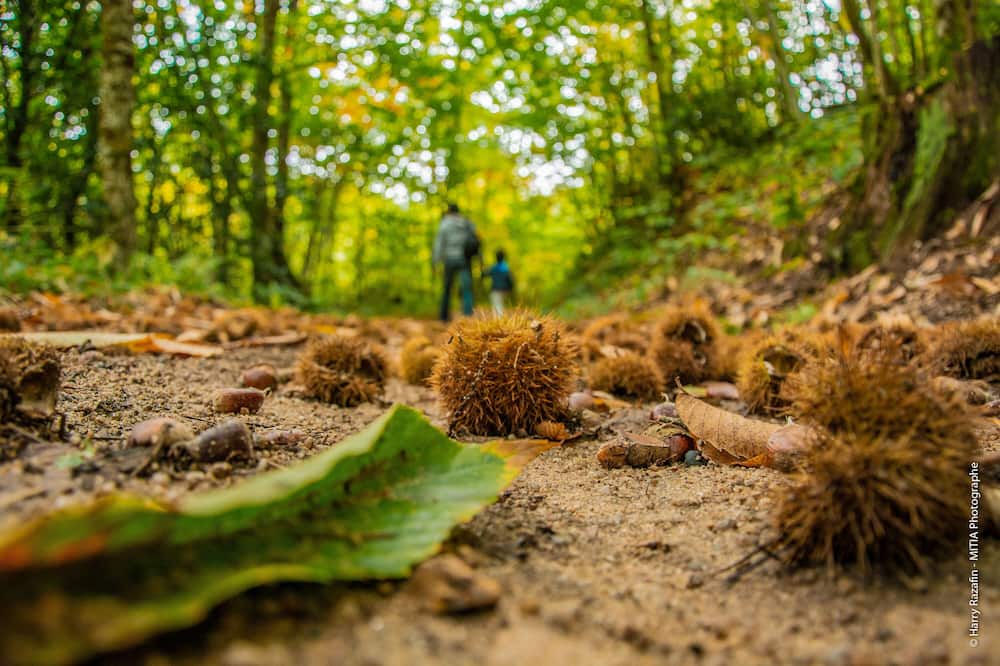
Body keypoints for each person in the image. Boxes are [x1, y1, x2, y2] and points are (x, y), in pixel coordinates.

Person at [432, 203, 480, 321]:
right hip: (464, 259)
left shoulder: (444, 224)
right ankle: (468, 315)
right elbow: (476, 240)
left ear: (448, 211)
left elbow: (439, 243)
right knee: (466, 288)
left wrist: (436, 260)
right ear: (458, 211)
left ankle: (444, 317)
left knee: (447, 288)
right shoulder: (466, 222)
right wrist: (479, 258)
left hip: (449, 259)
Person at [485, 249, 515, 315]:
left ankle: (498, 320)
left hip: (495, 290)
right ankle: (501, 319)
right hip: (504, 290)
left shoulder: (494, 267)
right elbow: (510, 279)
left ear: (496, 257)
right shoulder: (506, 267)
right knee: (502, 305)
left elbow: (484, 274)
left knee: (497, 305)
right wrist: (510, 288)